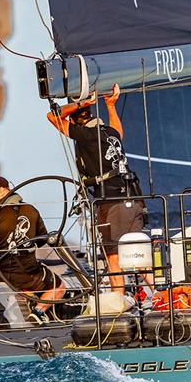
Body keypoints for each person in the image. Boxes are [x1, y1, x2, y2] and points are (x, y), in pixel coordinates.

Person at [46, 84, 146, 293]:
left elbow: (52, 116)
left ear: (75, 120)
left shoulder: (86, 135)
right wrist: (110, 106)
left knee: (113, 259)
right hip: (134, 200)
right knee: (138, 253)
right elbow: (119, 131)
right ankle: (160, 295)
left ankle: (119, 301)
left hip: (112, 204)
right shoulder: (107, 132)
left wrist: (81, 103)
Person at [0, 176, 66, 325]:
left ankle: (31, 306)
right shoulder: (30, 210)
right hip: (28, 273)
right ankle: (38, 312)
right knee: (59, 287)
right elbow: (43, 238)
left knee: (22, 281)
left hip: (1, 273)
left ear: (2, 190)